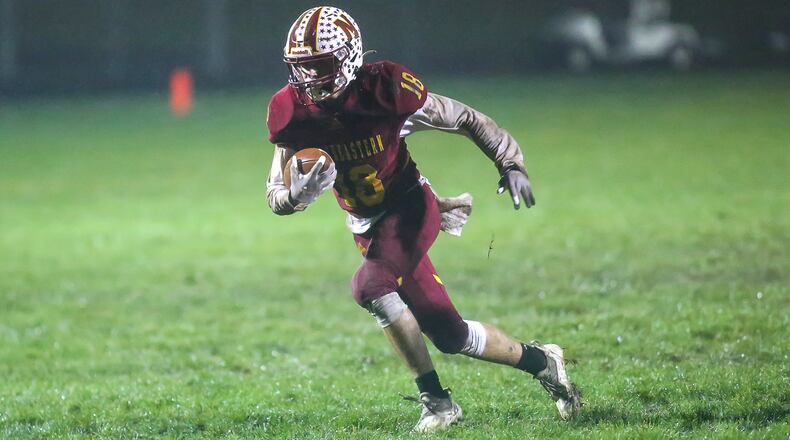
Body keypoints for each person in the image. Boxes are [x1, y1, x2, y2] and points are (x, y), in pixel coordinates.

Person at [265, 6, 581, 433]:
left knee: (370, 286)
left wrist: (510, 162)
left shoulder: (385, 91)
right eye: (301, 67)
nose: (309, 78)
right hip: (368, 229)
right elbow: (275, 195)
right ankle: (544, 362)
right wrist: (295, 196)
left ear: (349, 57)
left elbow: (464, 118)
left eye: (319, 66)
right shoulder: (292, 111)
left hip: (411, 208)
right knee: (451, 336)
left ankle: (437, 403)